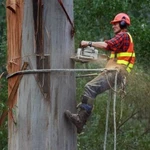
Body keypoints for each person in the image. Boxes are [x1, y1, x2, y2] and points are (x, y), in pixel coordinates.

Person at [65, 13, 136, 134]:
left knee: (90, 87)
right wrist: (90, 58)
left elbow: (107, 45)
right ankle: (83, 110)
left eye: (115, 23)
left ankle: (80, 119)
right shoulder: (123, 40)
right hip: (116, 73)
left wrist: (88, 43)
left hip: (116, 73)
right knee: (91, 90)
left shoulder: (123, 36)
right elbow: (112, 57)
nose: (113, 26)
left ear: (123, 23)